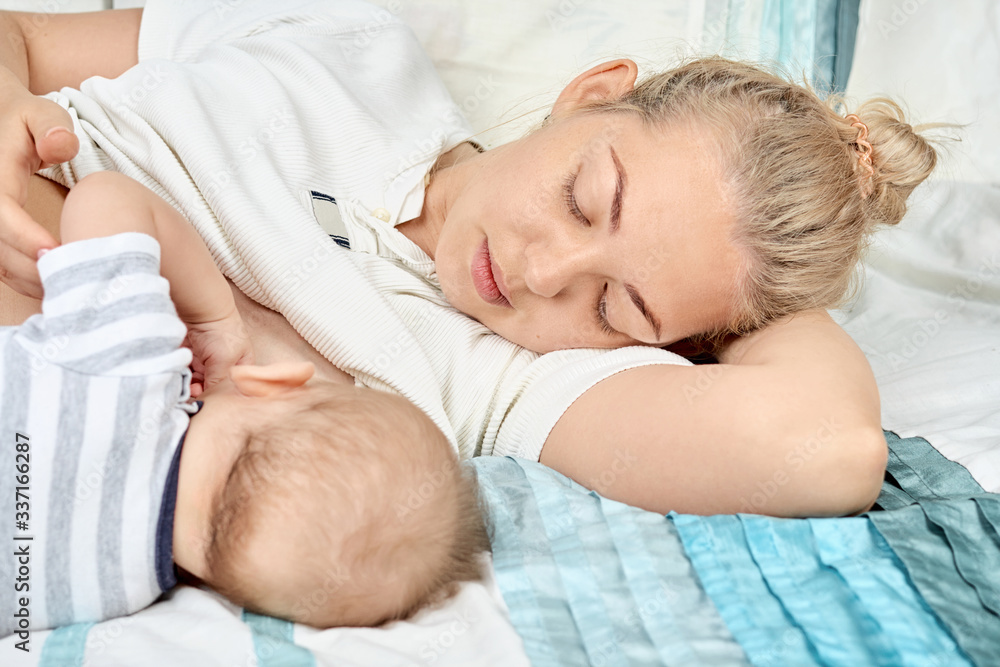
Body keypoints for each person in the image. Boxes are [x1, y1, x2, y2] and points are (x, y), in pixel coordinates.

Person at [0, 2, 937, 520]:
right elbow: (26, 35)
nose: (543, 272)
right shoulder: (343, 42)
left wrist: (764, 288)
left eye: (617, 305)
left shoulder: (513, 381)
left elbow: (828, 450)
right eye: (583, 197)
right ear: (591, 96)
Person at [0, 170, 488, 639]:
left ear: (278, 382)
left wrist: (212, 315)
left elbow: (102, 197)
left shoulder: (130, 365)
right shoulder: (102, 596)